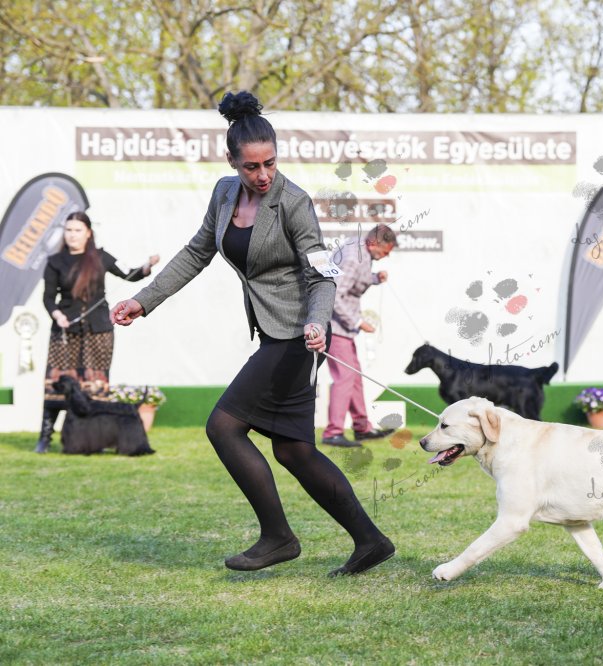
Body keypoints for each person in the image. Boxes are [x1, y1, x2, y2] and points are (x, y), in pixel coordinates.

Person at [110, 91, 394, 576]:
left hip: (299, 336)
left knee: (223, 426)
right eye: (251, 166)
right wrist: (144, 300)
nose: (263, 175)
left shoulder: (294, 203)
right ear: (232, 162)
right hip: (272, 334)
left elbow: (322, 275)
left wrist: (317, 321)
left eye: (270, 163)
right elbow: (197, 252)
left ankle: (278, 537)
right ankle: (370, 541)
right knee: (294, 450)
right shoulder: (224, 194)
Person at [36, 211, 159, 453]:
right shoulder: (55, 261)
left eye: (77, 230)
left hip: (99, 330)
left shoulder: (101, 257)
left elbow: (130, 273)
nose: (72, 235)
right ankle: (45, 437)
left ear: (88, 233)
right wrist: (57, 315)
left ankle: (96, 440)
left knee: (95, 386)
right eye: (68, 230)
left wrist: (147, 266)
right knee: (56, 384)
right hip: (65, 331)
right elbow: (48, 297)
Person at [321, 224, 398, 447]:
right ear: (375, 243)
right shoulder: (353, 257)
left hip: (342, 327)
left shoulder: (360, 250)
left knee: (353, 376)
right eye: (385, 251)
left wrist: (375, 278)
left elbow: (353, 280)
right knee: (345, 377)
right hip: (336, 326)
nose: (386, 256)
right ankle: (333, 433)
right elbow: (334, 295)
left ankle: (362, 428)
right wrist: (357, 322)